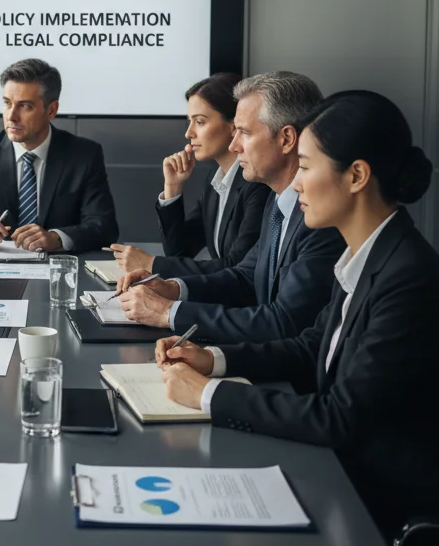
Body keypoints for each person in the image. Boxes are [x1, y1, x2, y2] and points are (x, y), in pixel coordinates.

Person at [156, 90, 439, 535]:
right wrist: (213, 359)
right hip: (339, 478)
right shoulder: (369, 252)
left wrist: (206, 395)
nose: (297, 183)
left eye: (308, 167)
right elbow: (311, 345)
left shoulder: (408, 277)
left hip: (378, 512)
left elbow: (339, 417)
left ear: (355, 176)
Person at [118, 71, 345, 343]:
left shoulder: (319, 218)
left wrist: (169, 312)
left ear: (286, 139)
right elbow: (246, 277)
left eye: (244, 132)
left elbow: (284, 323)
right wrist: (172, 288)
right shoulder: (278, 200)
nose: (235, 145)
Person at [0, 58, 118, 252]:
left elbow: (104, 227)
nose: (11, 116)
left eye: (25, 106)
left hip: (59, 271)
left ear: (52, 110)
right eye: (7, 103)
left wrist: (56, 238)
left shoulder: (83, 155)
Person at [109, 72, 270, 276]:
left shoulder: (257, 183)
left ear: (234, 126)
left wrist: (152, 264)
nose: (189, 133)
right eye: (189, 121)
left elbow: (238, 266)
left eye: (200, 122)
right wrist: (173, 189)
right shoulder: (217, 180)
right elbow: (179, 251)